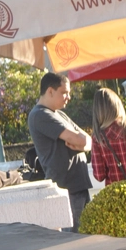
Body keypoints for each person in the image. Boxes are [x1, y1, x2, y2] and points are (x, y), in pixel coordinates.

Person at [27, 72, 92, 229]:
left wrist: (82, 144)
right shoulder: (40, 115)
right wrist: (80, 143)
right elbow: (80, 139)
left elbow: (89, 141)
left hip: (79, 186)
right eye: (64, 93)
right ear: (50, 91)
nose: (68, 97)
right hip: (66, 189)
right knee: (76, 242)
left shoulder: (60, 115)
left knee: (88, 237)